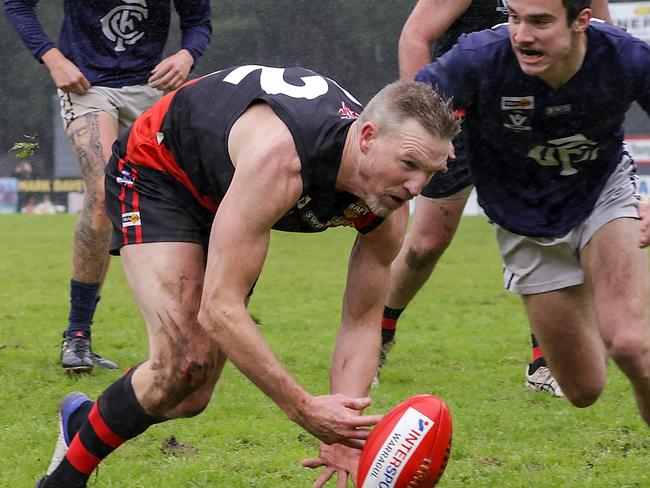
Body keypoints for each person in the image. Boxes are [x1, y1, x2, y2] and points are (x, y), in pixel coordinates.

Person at [34, 65, 460, 487]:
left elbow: (363, 320)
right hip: (160, 169)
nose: (416, 187)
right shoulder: (283, 160)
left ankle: (82, 420)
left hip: (228, 189)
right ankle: (64, 479)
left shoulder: (388, 205)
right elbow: (220, 308)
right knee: (184, 364)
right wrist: (304, 408)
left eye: (431, 173)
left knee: (189, 396)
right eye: (409, 164)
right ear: (367, 138)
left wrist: (343, 431)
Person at [412, 0, 650, 425]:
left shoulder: (624, 55)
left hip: (602, 193)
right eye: (515, 19)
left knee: (631, 342)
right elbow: (408, 111)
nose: (522, 35)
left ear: (582, 21)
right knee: (583, 389)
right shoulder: (477, 58)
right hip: (522, 222)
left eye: (540, 21)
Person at [376, 0, 612, 397]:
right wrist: (422, 124)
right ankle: (377, 333)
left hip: (537, 115)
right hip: (463, 115)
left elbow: (604, 37)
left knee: (553, 227)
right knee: (426, 244)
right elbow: (416, 34)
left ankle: (545, 361)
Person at [4, 0, 212, 373]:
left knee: (190, 197)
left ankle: (192, 330)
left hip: (153, 88)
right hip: (88, 86)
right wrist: (52, 57)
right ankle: (77, 336)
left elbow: (198, 21)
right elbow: (17, 3)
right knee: (102, 194)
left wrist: (186, 54)